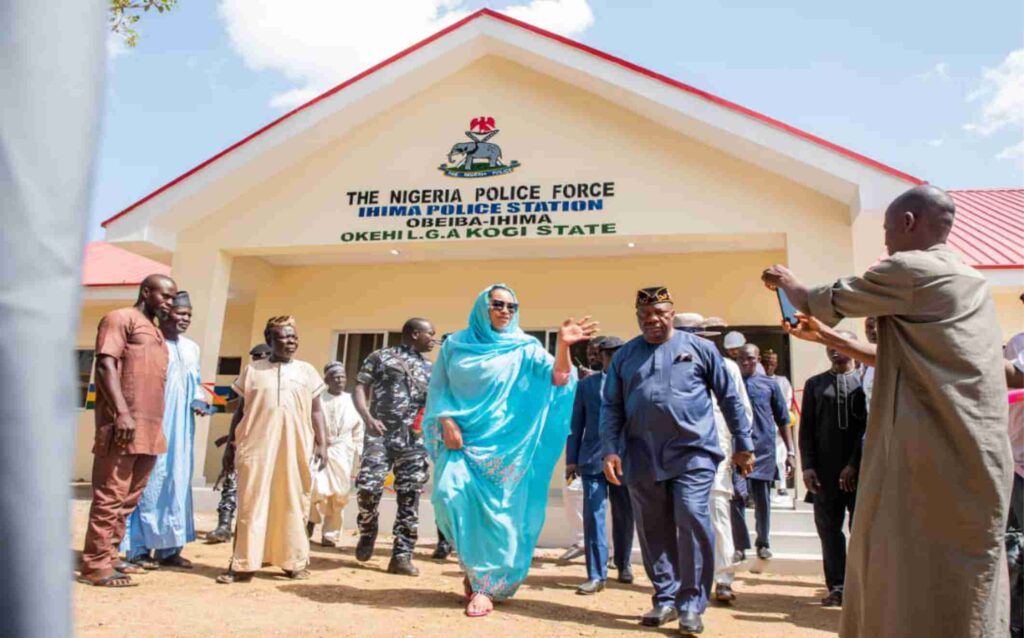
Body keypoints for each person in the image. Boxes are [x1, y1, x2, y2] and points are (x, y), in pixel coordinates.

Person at [763, 184, 1012, 637]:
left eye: (886, 229)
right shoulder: (968, 278)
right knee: (960, 565)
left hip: (934, 450)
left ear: (909, 222)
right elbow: (900, 355)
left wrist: (786, 283)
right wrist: (829, 339)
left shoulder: (913, 269)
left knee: (902, 559)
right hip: (975, 456)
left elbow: (822, 298)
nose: (885, 241)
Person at [424, 284, 596, 617]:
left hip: (508, 446)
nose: (505, 311)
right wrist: (445, 420)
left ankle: (484, 586)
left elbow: (559, 379)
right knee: (449, 498)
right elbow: (439, 389)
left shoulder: (524, 347)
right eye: (498, 304)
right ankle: (476, 571)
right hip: (462, 440)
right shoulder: (456, 345)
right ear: (481, 307)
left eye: (512, 306)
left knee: (499, 518)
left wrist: (562, 346)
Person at [602, 286, 754, 636]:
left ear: (672, 314)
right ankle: (665, 597)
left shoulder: (699, 349)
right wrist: (610, 448)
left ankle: (691, 603)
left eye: (659, 314)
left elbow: (729, 397)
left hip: (693, 452)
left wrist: (743, 443)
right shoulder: (626, 355)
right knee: (652, 527)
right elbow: (611, 406)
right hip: (641, 454)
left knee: (691, 516)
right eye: (644, 317)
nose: (652, 321)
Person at [79, 274, 178, 587]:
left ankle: (110, 556)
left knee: (128, 500)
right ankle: (95, 565)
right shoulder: (120, 319)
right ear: (146, 292)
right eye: (165, 296)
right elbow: (105, 364)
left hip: (149, 430)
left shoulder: (159, 334)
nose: (170, 303)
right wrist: (121, 413)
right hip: (121, 426)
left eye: (174, 298)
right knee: (110, 496)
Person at [217, 316, 328, 584]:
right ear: (270, 340)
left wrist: (323, 443)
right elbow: (240, 411)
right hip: (256, 446)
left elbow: (316, 410)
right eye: (284, 337)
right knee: (251, 502)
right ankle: (244, 564)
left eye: (294, 337)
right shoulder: (252, 371)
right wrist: (230, 446)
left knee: (291, 501)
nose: (291, 342)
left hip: (295, 446)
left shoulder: (307, 371)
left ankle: (293, 562)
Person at [120, 291, 210, 570]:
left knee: (177, 479)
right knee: (149, 479)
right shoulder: (151, 342)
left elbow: (193, 380)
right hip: (154, 418)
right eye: (180, 313)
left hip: (182, 426)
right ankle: (138, 548)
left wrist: (200, 400)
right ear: (165, 313)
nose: (185, 319)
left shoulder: (192, 347)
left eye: (189, 315)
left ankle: (170, 548)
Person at [675, 313, 753, 604]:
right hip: (680, 453)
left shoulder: (727, 367)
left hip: (717, 451)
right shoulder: (672, 365)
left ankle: (723, 578)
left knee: (718, 513)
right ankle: (691, 579)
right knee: (685, 516)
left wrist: (740, 448)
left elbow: (742, 411)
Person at [352, 318, 435, 576]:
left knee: (409, 495)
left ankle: (401, 555)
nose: (433, 338)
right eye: (429, 333)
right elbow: (359, 386)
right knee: (367, 486)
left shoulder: (430, 368)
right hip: (380, 434)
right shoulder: (382, 356)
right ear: (414, 333)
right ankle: (367, 529)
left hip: (412, 440)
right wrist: (367, 417)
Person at [799, 332, 867, 607]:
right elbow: (806, 431)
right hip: (825, 474)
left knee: (860, 530)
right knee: (829, 530)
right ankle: (837, 586)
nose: (834, 350)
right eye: (830, 346)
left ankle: (860, 587)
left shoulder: (865, 383)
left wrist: (853, 464)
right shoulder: (815, 384)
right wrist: (808, 467)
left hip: (859, 471)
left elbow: (866, 429)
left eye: (840, 345)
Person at [567, 335, 634, 594]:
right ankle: (596, 574)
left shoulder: (633, 383)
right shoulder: (587, 385)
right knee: (594, 517)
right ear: (601, 356)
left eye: (619, 353)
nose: (614, 358)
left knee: (624, 515)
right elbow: (576, 424)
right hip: (592, 460)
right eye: (609, 354)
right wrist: (571, 460)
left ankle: (623, 563)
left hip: (625, 460)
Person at [206, 343, 272, 544]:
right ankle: (224, 525)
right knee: (231, 482)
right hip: (242, 439)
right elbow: (231, 407)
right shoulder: (245, 378)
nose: (260, 357)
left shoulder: (282, 377)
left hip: (269, 440)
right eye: (256, 355)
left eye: (264, 354)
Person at [736, 344, 793, 559]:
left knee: (762, 500)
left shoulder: (770, 385)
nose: (746, 362)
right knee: (737, 497)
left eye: (750, 358)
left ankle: (763, 542)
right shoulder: (731, 384)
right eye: (742, 358)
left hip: (763, 450)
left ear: (758, 359)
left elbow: (783, 419)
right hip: (738, 451)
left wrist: (791, 452)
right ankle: (739, 545)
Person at [307, 362, 364, 547]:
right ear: (326, 380)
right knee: (313, 488)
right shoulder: (317, 398)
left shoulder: (352, 400)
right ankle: (307, 524)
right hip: (317, 450)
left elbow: (359, 430)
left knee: (339, 494)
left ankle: (330, 534)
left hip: (342, 452)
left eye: (343, 377)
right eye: (336, 377)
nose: (340, 380)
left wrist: (361, 452)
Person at [761, 349, 793, 497]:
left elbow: (787, 402)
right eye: (766, 364)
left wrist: (781, 422)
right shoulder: (757, 379)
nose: (769, 367)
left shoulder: (782, 381)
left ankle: (782, 485)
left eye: (772, 364)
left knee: (780, 454)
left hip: (777, 422)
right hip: (761, 422)